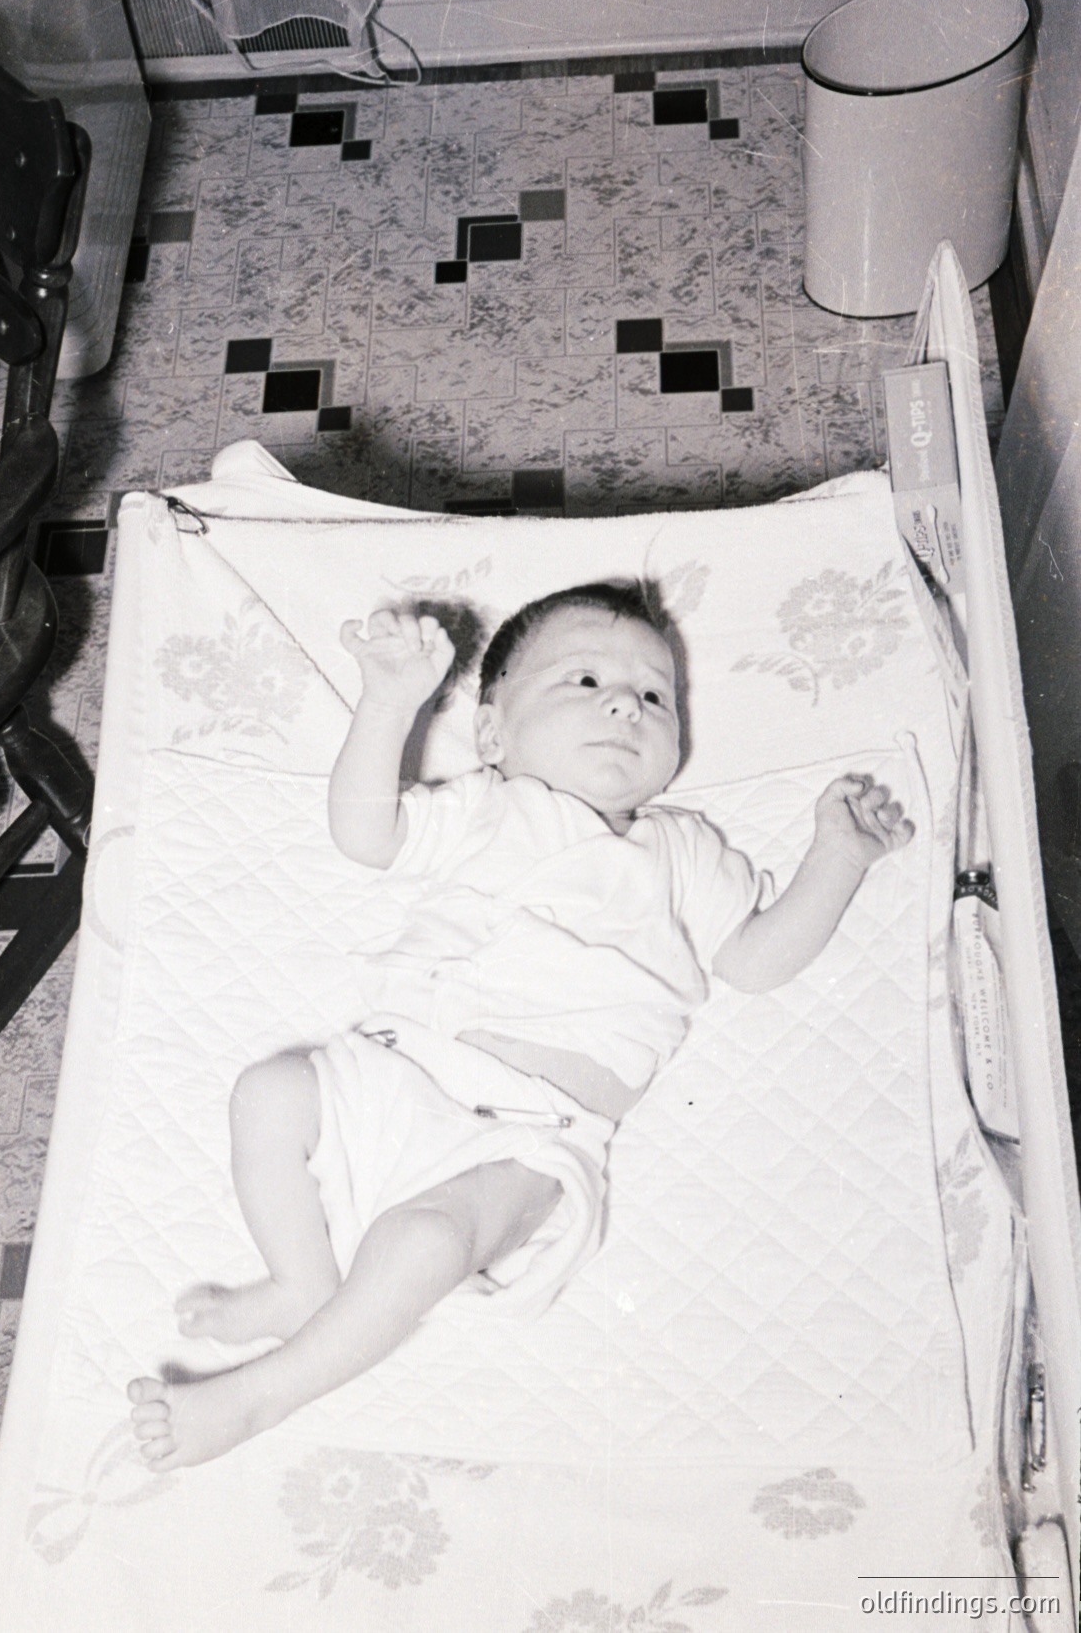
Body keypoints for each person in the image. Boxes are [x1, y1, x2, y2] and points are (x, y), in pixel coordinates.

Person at [128, 581, 913, 1470]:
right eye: (583, 681)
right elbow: (364, 832)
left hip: (532, 1136)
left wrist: (838, 858)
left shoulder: (683, 851)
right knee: (269, 1092)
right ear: (495, 734)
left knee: (425, 1244)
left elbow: (757, 959)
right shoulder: (486, 807)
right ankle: (305, 1284)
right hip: (398, 1071)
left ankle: (260, 1396)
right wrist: (389, 704)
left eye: (656, 695)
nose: (625, 702)